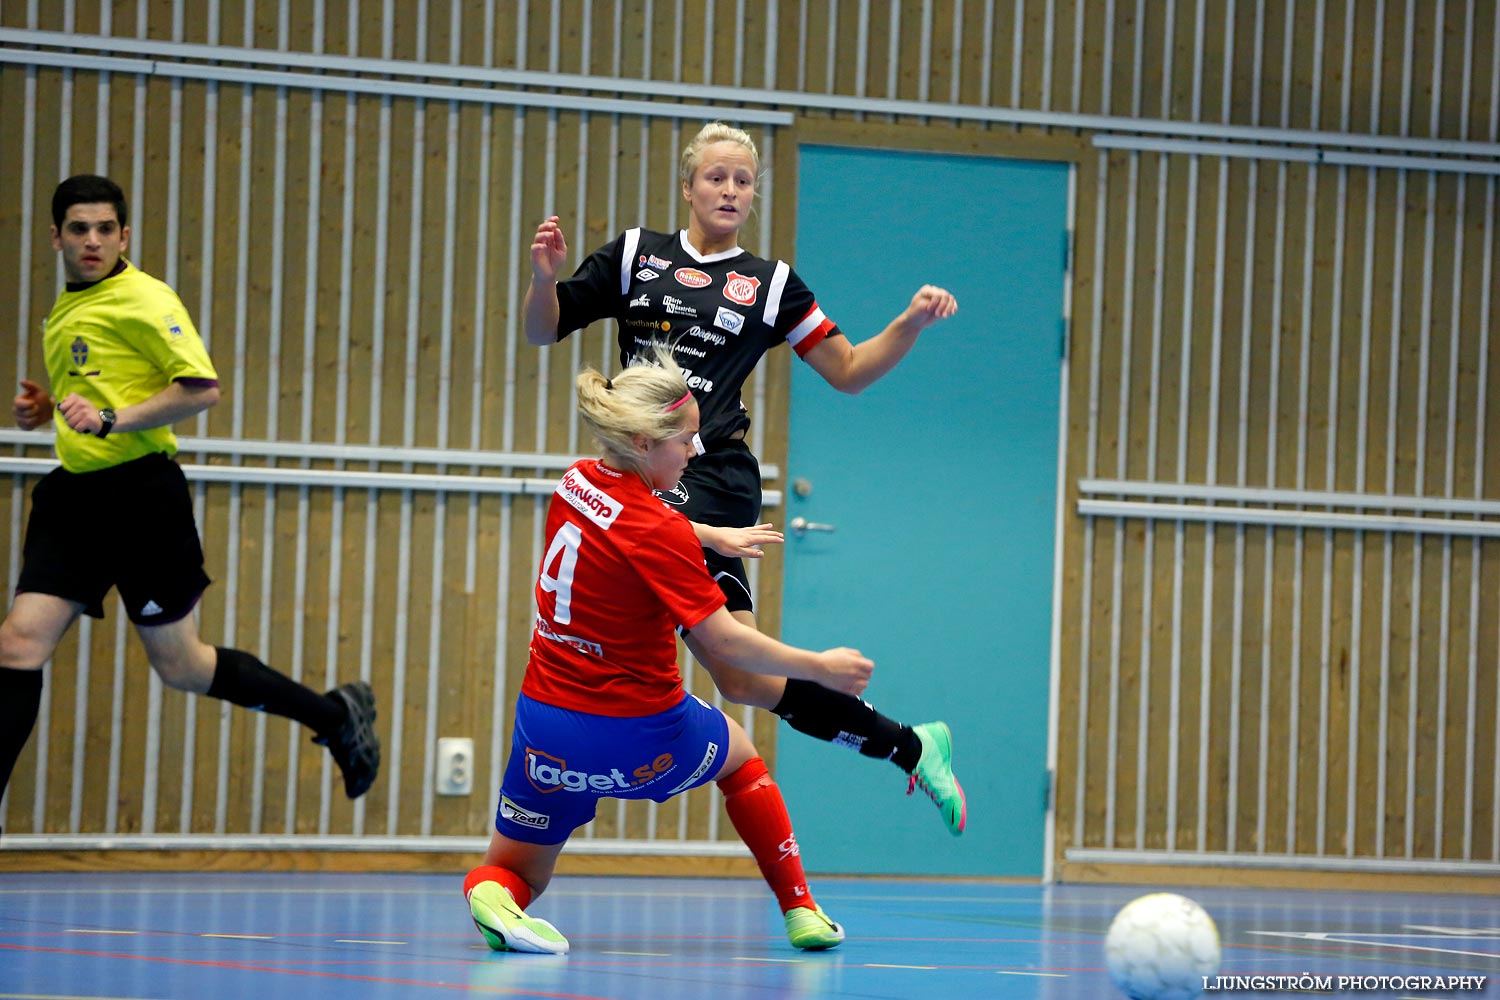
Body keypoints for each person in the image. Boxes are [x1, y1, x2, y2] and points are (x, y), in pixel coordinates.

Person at [521, 121, 966, 836]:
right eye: (716, 177)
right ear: (689, 186)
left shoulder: (770, 284)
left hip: (711, 474)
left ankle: (906, 744)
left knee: (740, 675)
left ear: (754, 195)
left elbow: (848, 372)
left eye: (743, 181)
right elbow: (544, 330)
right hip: (637, 467)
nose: (729, 190)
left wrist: (908, 324)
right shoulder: (637, 258)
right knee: (734, 677)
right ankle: (911, 744)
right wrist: (545, 281)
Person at [0, 175, 380, 830]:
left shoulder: (147, 300)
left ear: (124, 236)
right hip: (75, 496)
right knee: (17, 646)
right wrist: (45, 411)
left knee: (182, 665)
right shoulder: (68, 305)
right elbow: (92, 389)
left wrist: (114, 417)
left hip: (142, 498)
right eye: (79, 229)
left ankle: (333, 715)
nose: (91, 241)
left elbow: (201, 388)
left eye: (105, 229)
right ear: (56, 236)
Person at [464, 350, 873, 955]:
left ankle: (489, 897)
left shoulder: (577, 480)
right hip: (637, 726)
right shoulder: (659, 534)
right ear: (642, 440)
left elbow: (632, 520)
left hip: (545, 722)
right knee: (742, 758)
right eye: (685, 440)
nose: (695, 452)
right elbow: (727, 642)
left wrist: (710, 534)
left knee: (519, 873)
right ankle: (802, 909)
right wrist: (823, 667)